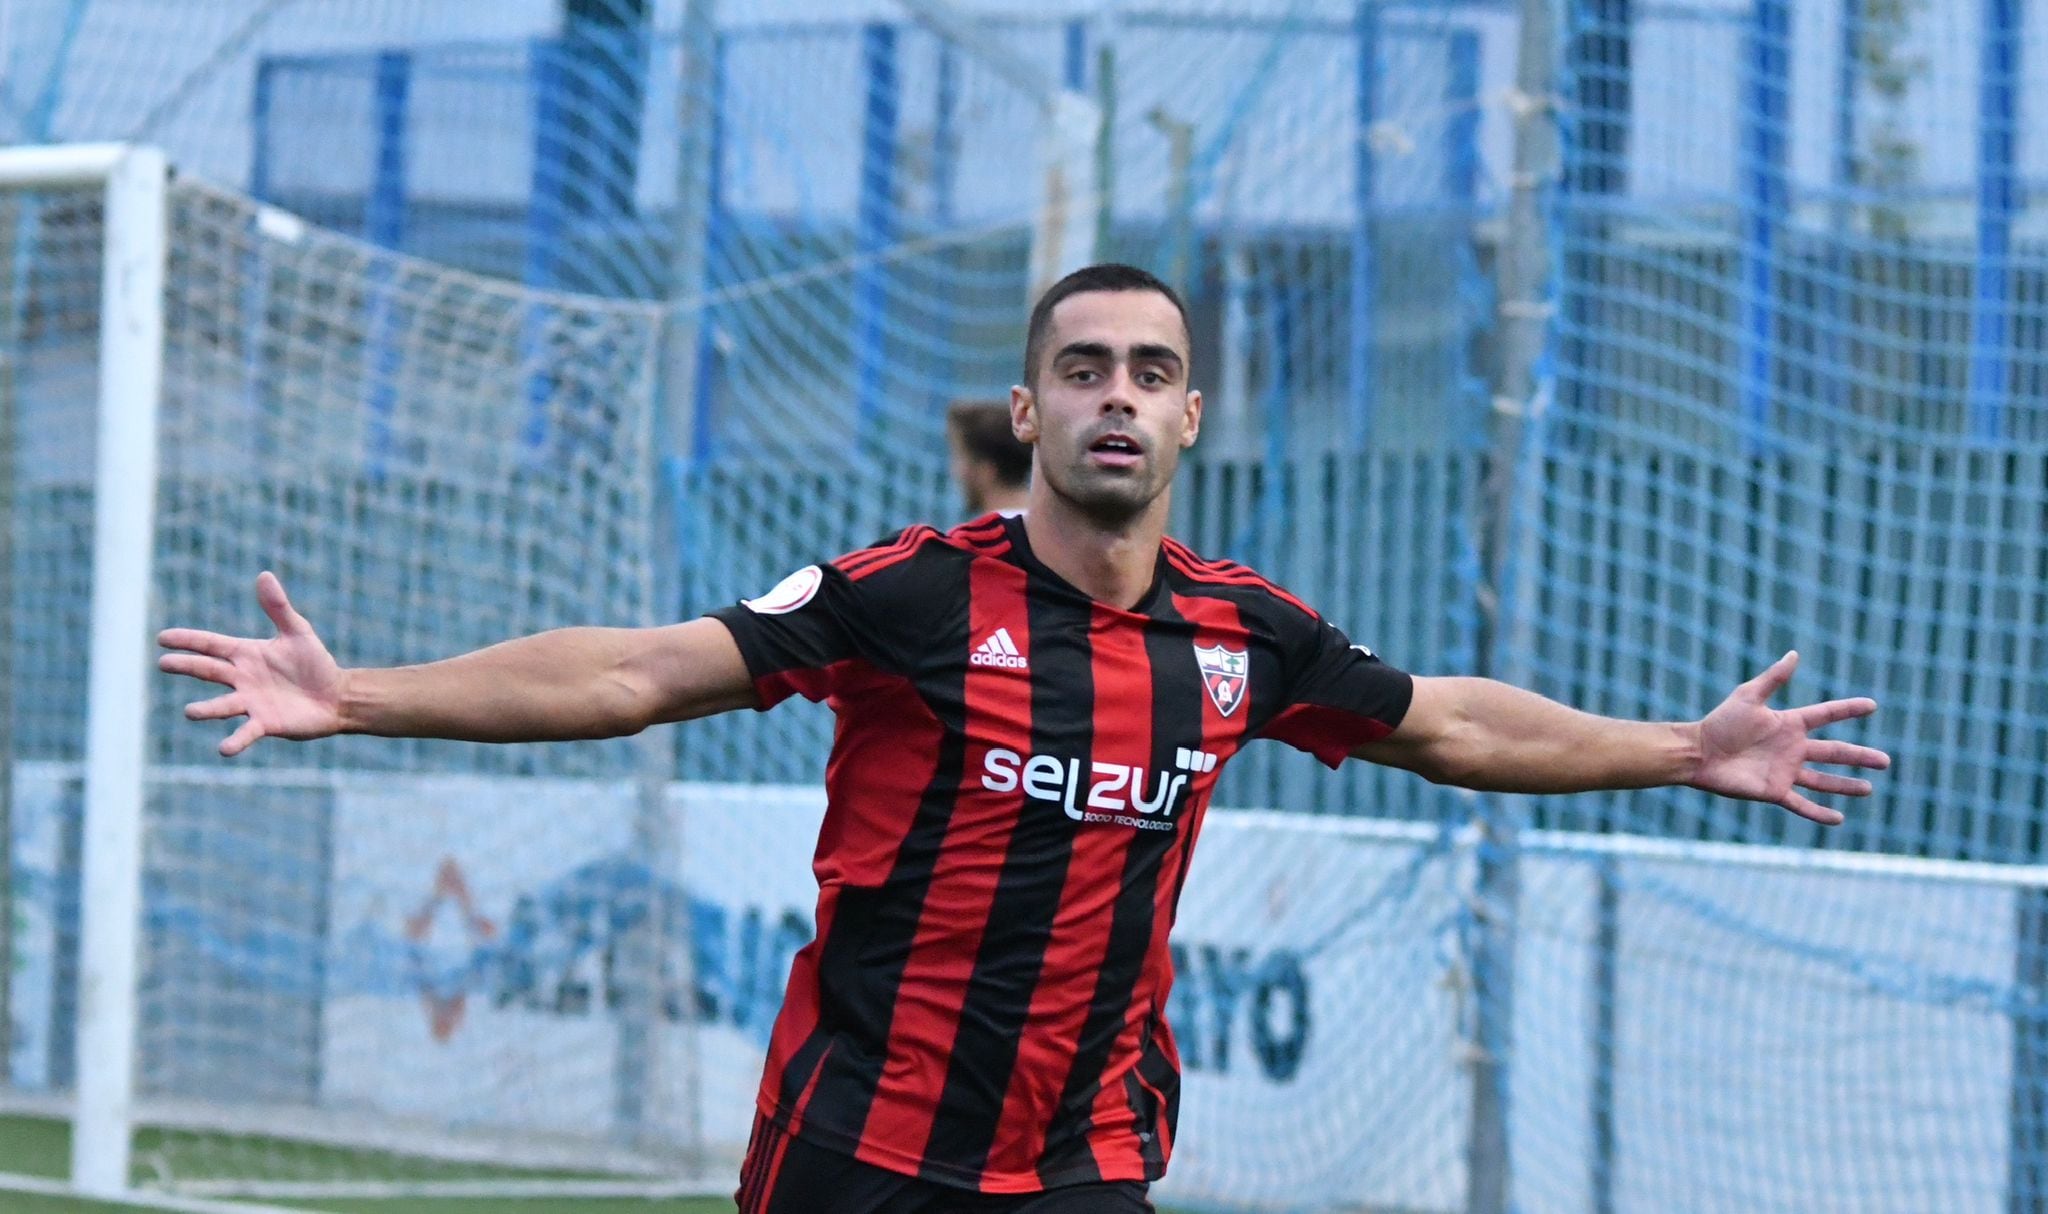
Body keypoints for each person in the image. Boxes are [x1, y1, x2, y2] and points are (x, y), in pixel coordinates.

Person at [159, 263, 1890, 1214]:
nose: (1116, 392)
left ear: (1190, 411)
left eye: (1149, 367)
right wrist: (357, 689)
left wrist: (1678, 746)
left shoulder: (1244, 633)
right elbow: (630, 672)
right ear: (1026, 409)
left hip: (1082, 1152)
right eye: (1082, 368)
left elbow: (1447, 721)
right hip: (856, 1142)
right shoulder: (906, 595)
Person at [946, 397, 1033, 516]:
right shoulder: (1053, 527)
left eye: (960, 457)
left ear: (985, 471)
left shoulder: (978, 533)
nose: (955, 471)